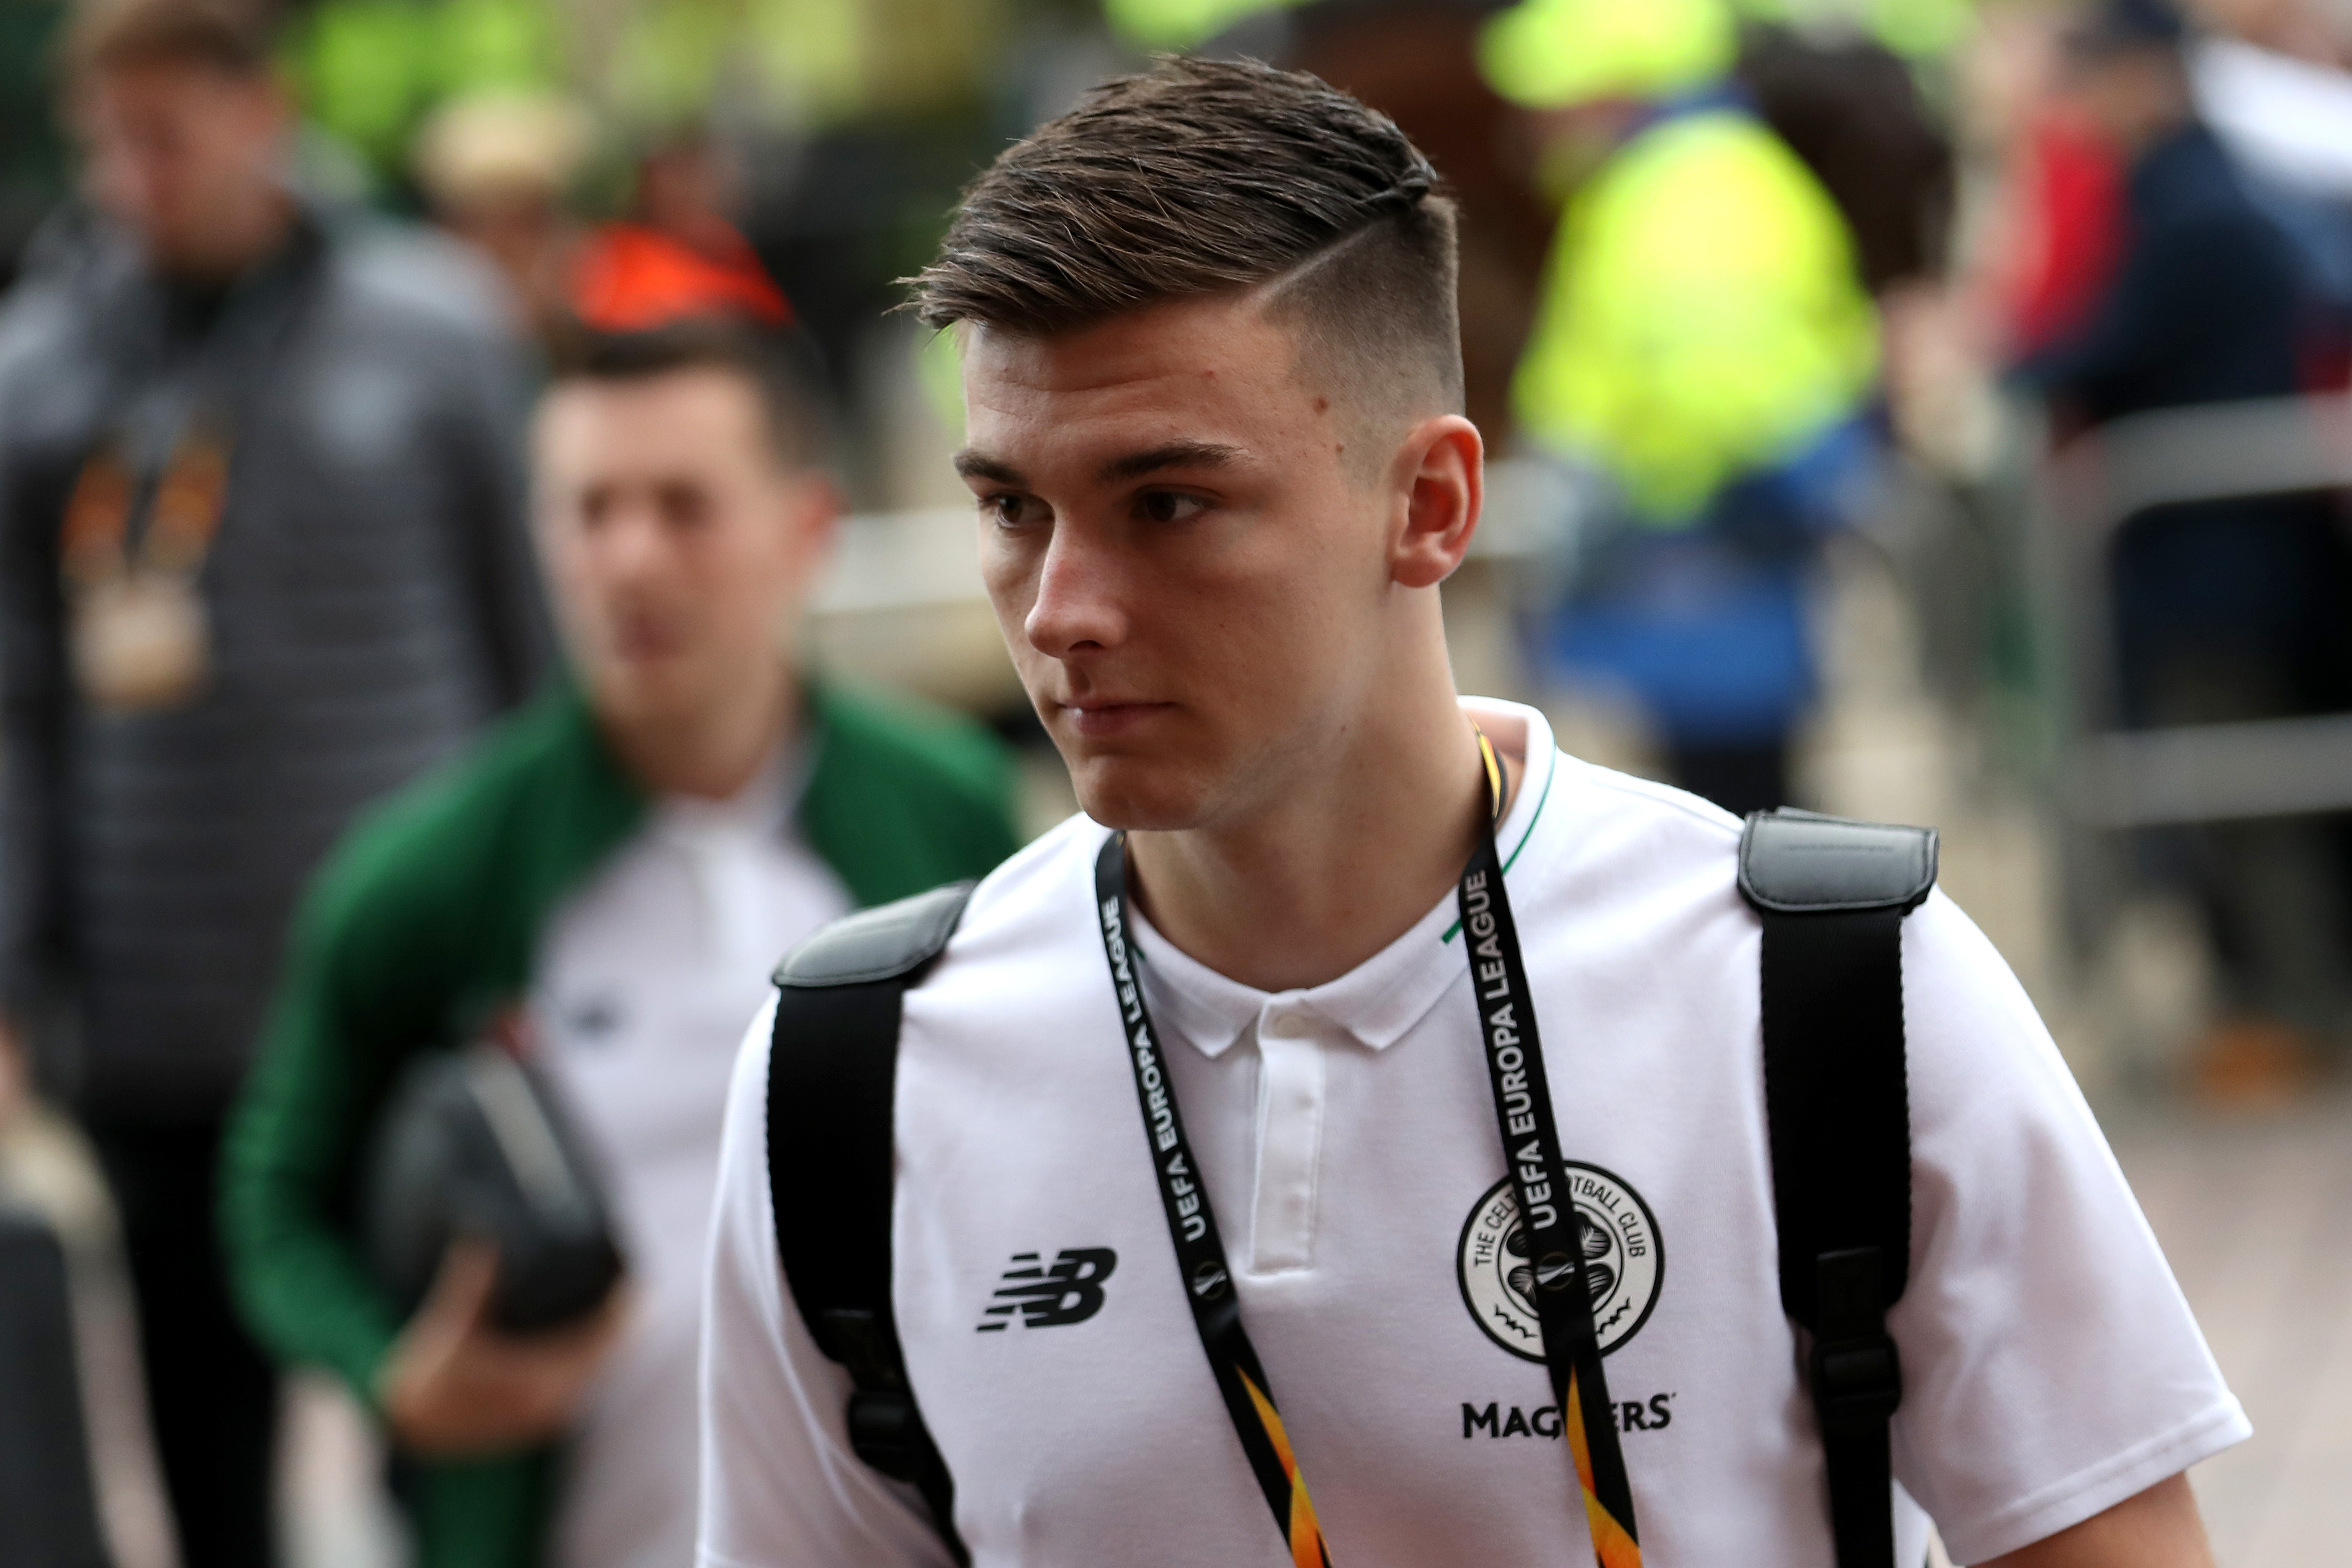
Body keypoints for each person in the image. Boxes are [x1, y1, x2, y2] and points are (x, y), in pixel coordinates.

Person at [698, 56, 2243, 1568]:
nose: (1061, 608)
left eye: (1168, 503)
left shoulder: (1831, 984)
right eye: (1011, 508)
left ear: (1429, 503)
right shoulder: (858, 1068)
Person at [222, 318, 1023, 1568]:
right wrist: (392, 1373)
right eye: (588, 511)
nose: (630, 558)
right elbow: (273, 1191)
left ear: (805, 529)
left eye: (683, 506)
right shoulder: (433, 871)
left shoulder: (945, 808)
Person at [0, 0, 547, 1561]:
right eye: (105, 137)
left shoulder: (436, 329)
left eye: (165, 131)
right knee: (200, 1445)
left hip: (401, 999)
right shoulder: (40, 366)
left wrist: (535, 922)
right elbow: (15, 708)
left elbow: (529, 651)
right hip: (155, 1011)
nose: (132, 175)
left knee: (440, 1424)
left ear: (265, 111)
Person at [2017, 0, 2352, 1100]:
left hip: (2224, 563)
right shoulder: (2184, 190)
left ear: (2147, 77)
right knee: (2227, 788)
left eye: (2093, 83)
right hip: (2212, 555)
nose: (2078, 110)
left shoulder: (2197, 204)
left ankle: (2293, 1013)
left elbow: (2100, 344)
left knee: (2242, 791)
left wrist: (1999, 362)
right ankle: (2270, 1006)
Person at [1479, 0, 1880, 817]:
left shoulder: (1688, 192)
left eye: (1553, 100)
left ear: (1618, 92)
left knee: (1735, 818)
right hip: (1706, 553)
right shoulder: (1688, 173)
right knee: (1735, 809)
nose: (1534, 126)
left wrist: (1604, 500)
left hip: (1702, 552)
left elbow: (1724, 397)